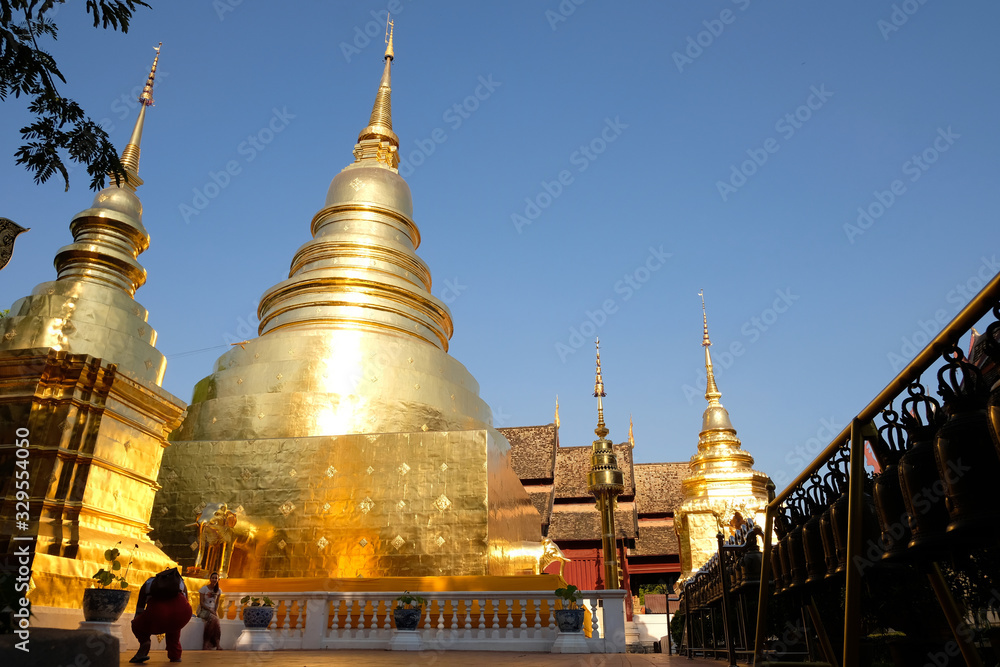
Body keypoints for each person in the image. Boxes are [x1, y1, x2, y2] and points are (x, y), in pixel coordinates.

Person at [129, 567, 191, 664]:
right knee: (174, 627)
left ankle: (145, 643)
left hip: (157, 614)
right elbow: (186, 600)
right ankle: (175, 655)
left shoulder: (148, 583)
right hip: (183, 613)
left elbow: (140, 608)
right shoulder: (179, 582)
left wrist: (138, 624)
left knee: (136, 624)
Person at [197, 572, 223, 650]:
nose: (214, 579)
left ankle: (216, 644)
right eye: (213, 578)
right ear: (210, 579)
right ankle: (207, 643)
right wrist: (210, 611)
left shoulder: (219, 590)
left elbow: (217, 602)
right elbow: (201, 603)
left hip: (212, 610)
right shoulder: (204, 589)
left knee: (216, 624)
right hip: (204, 610)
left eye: (216, 578)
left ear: (218, 579)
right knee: (213, 619)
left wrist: (215, 611)